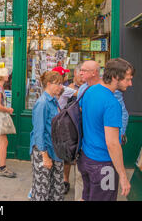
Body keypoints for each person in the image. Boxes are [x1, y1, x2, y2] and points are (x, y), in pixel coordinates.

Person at [77, 58, 134, 201]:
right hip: (103, 165)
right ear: (115, 77)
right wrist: (123, 176)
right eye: (127, 79)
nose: (130, 83)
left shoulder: (89, 91)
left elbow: (83, 114)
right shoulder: (112, 103)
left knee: (86, 196)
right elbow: (112, 143)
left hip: (86, 158)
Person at [29, 70, 64, 201]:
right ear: (48, 84)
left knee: (56, 188)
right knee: (42, 190)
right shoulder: (42, 103)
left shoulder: (54, 101)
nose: (61, 87)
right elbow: (39, 132)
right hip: (44, 151)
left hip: (55, 150)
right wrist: (44, 156)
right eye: (58, 84)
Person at [56, 63, 82, 194]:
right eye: (80, 73)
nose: (82, 76)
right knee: (67, 152)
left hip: (80, 124)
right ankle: (64, 180)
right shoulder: (68, 88)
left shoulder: (68, 87)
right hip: (67, 124)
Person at [0, 65, 17, 178]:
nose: (8, 75)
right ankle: (2, 168)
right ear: (1, 76)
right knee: (4, 142)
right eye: (6, 73)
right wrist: (8, 109)